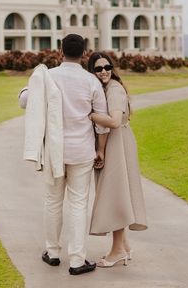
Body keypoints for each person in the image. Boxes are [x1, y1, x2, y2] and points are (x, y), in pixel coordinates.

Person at [18, 34, 115, 275]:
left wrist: (26, 86)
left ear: (60, 52)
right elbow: (102, 122)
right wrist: (100, 149)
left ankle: (52, 253)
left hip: (54, 150)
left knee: (53, 201)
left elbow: (24, 101)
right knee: (78, 204)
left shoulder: (47, 77)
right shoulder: (91, 82)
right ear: (84, 54)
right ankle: (76, 260)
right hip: (82, 151)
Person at [87, 52, 148, 268]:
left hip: (117, 143)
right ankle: (125, 246)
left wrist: (91, 115)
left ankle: (117, 250)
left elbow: (113, 121)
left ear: (112, 68)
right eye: (98, 68)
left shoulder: (113, 90)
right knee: (117, 192)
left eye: (107, 66)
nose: (103, 71)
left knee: (115, 195)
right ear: (92, 71)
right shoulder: (107, 88)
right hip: (118, 142)